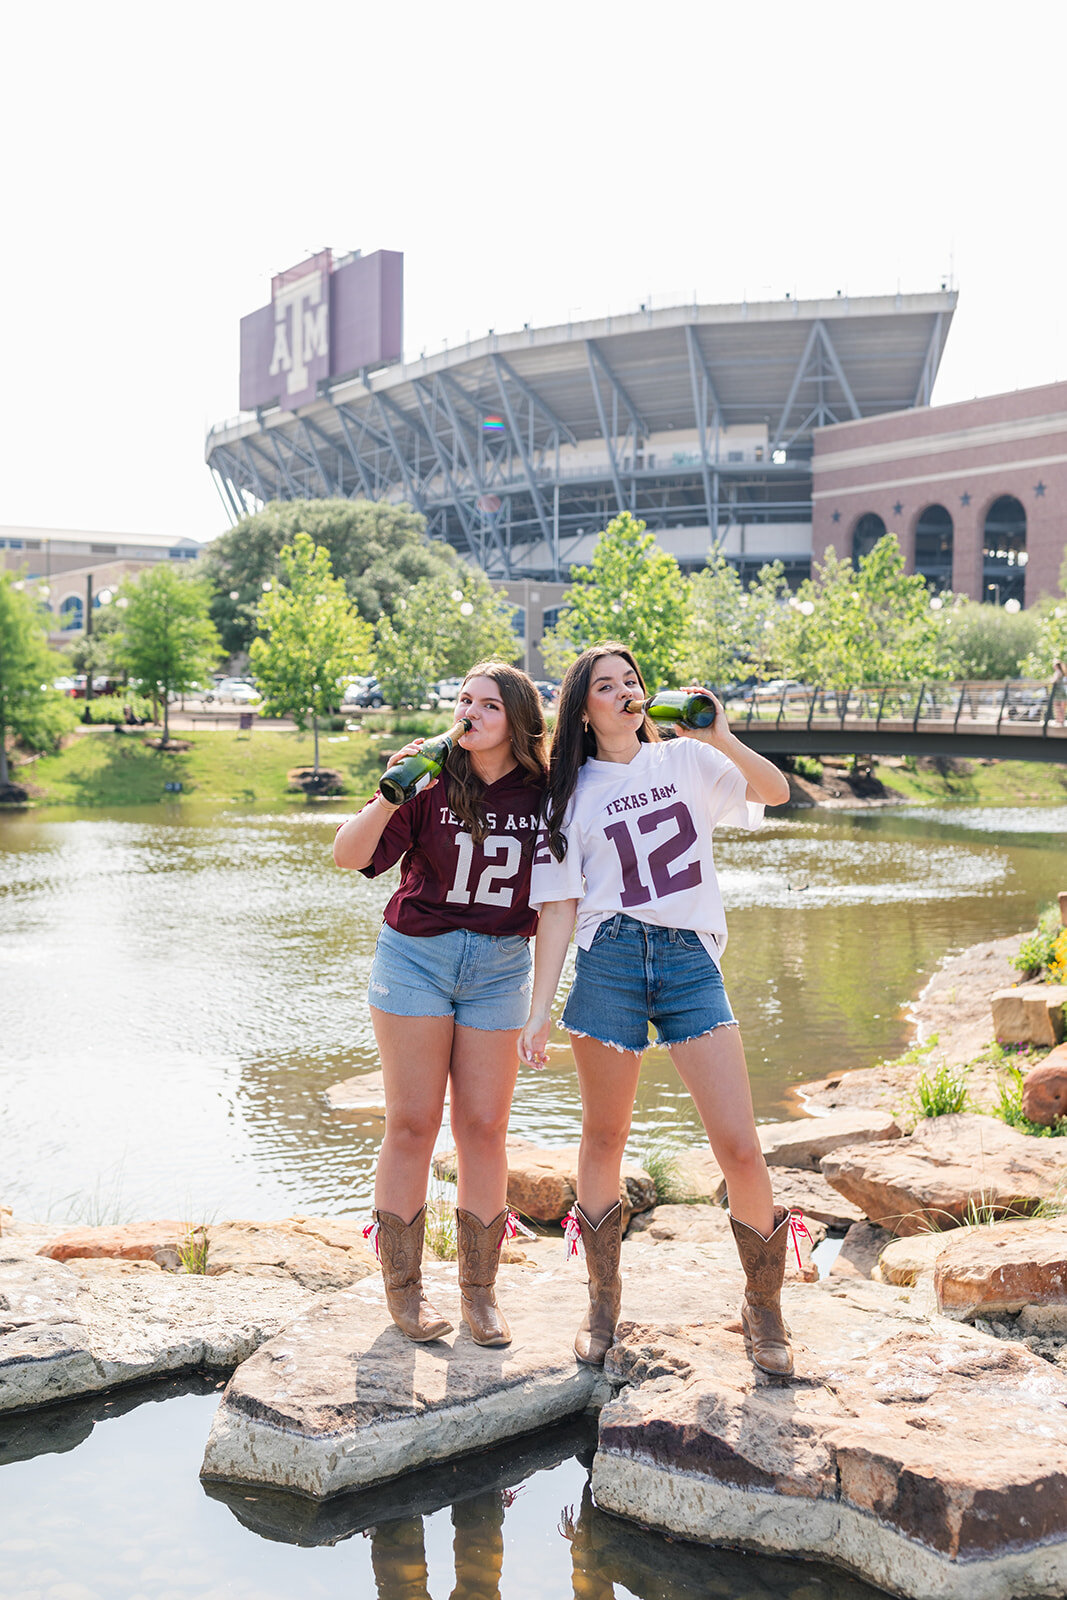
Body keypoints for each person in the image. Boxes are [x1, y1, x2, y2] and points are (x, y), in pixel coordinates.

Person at [518, 644, 796, 1376]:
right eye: (605, 686)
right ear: (583, 707)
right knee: (604, 1136)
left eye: (631, 681)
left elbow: (774, 792)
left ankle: (762, 1306)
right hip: (607, 956)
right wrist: (538, 1008)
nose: (624, 693)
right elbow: (558, 907)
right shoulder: (567, 793)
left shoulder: (684, 759)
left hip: (686, 961)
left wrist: (720, 735)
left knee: (738, 1143)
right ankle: (602, 1299)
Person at [334, 663, 547, 1348]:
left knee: (483, 1127)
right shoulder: (427, 779)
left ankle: (479, 1295)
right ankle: (404, 1290)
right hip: (416, 958)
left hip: (499, 966)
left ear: (516, 719)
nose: (470, 713)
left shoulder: (545, 791)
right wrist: (392, 792)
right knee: (412, 1122)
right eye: (463, 701)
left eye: (488, 704)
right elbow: (348, 856)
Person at [1053, 659, 1066, 727]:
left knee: (1057, 707)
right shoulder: (1062, 672)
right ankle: (1061, 721)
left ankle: (1058, 721)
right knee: (1061, 708)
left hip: (1058, 692)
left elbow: (1054, 681)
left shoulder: (1058, 672)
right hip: (1061, 692)